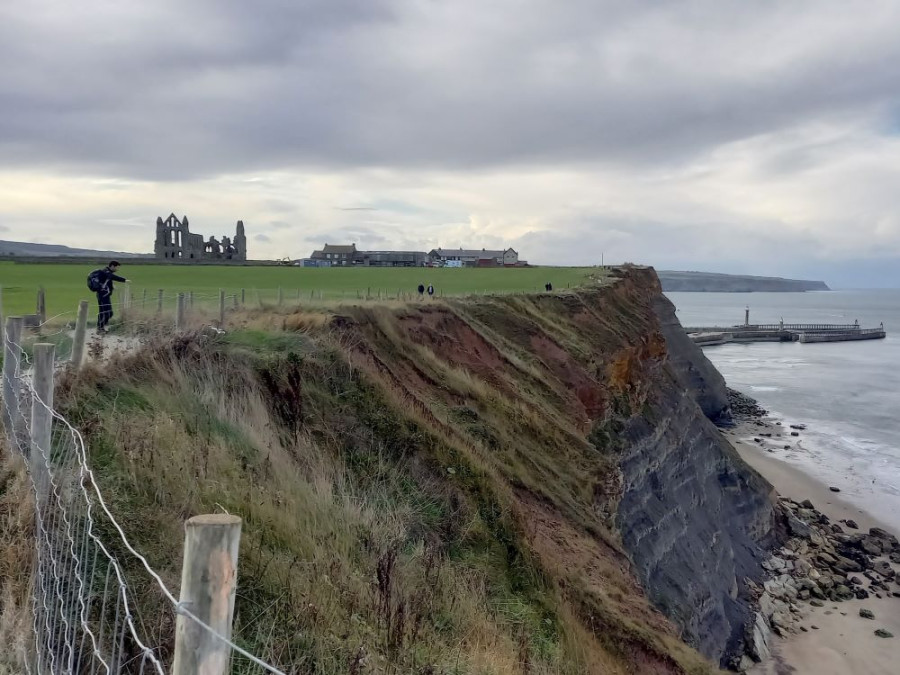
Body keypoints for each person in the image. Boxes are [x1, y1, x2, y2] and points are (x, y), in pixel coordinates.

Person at [91, 260, 129, 333]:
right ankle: (100, 328)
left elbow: (108, 282)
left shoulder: (107, 273)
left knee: (104, 312)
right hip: (102, 295)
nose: (117, 269)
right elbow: (112, 277)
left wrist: (112, 288)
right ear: (112, 266)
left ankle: (100, 328)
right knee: (108, 312)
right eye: (117, 267)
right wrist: (124, 280)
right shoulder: (106, 272)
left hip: (104, 295)